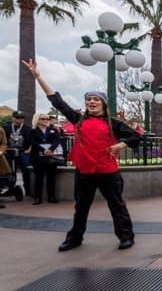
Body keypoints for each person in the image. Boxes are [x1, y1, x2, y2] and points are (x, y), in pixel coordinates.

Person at [22, 59, 141, 252]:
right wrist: (38, 77)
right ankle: (75, 238)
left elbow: (135, 137)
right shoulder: (78, 119)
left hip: (108, 172)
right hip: (85, 171)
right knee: (81, 207)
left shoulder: (114, 123)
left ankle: (126, 236)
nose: (91, 102)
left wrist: (119, 144)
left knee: (117, 205)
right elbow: (57, 102)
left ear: (103, 103)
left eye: (96, 99)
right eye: (89, 99)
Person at [27, 112, 61, 204]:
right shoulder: (32, 131)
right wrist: (43, 150)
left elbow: (57, 140)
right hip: (37, 157)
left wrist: (50, 149)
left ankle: (51, 196)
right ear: (37, 120)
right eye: (43, 119)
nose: (46, 120)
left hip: (50, 156)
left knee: (51, 177)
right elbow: (32, 141)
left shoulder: (53, 130)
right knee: (39, 177)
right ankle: (37, 198)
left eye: (47, 119)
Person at [3, 110, 32, 197]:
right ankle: (11, 189)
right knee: (10, 172)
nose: (20, 119)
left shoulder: (27, 128)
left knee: (26, 171)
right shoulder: (6, 127)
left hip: (23, 151)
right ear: (13, 118)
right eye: (17, 118)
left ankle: (28, 191)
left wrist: (29, 150)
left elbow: (32, 141)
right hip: (9, 152)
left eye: (21, 118)